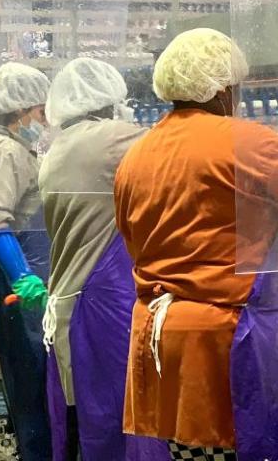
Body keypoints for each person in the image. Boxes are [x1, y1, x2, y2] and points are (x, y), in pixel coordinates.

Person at [114, 28, 278, 461]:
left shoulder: (137, 154)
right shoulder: (245, 141)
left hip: (159, 335)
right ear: (225, 89)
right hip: (223, 339)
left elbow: (133, 240)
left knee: (190, 455)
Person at [39, 58, 168, 460]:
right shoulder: (112, 139)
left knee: (85, 421)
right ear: (108, 98)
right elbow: (177, 152)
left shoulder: (61, 144)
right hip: (100, 302)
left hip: (72, 298)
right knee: (116, 419)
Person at [0, 62, 53, 461]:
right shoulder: (4, 151)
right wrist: (23, 278)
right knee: (29, 382)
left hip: (16, 273)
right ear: (20, 111)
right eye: (40, 111)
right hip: (15, 280)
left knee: (24, 380)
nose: (44, 119)